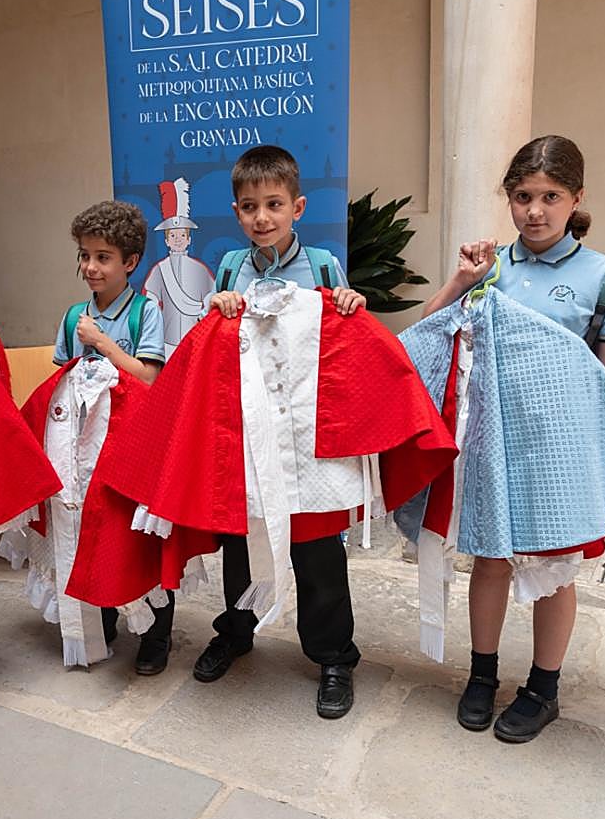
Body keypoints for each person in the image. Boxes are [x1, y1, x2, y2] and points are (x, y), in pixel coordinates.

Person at [419, 134, 605, 742]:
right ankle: (481, 675)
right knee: (489, 560)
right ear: (508, 199)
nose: (534, 211)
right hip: (492, 441)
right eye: (522, 196)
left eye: (550, 196)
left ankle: (543, 688)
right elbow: (432, 331)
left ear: (577, 199)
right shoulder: (492, 268)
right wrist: (463, 279)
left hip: (560, 447)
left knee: (556, 570)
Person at [196, 144, 368, 719]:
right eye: (249, 207)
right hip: (247, 432)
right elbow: (212, 345)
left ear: (297, 206)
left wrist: (347, 301)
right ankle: (236, 630)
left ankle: (334, 656)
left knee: (317, 549)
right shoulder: (229, 269)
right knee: (242, 539)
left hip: (307, 435)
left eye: (273, 204)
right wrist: (216, 307)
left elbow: (345, 336)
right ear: (236, 212)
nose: (261, 217)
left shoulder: (321, 264)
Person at [47, 200, 174, 672]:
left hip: (133, 442)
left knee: (137, 535)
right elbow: (63, 379)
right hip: (85, 444)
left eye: (102, 257)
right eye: (84, 255)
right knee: (91, 532)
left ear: (131, 262)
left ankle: (157, 634)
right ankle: (100, 618)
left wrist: (101, 342)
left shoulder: (146, 310)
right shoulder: (72, 315)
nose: (90, 267)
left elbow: (148, 379)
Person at [140, 177, 215, 355]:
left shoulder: (200, 269)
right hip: (167, 339)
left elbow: (211, 298)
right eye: (173, 236)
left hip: (196, 337)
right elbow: (150, 301)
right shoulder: (159, 269)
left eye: (182, 235)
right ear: (166, 240)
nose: (178, 239)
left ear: (189, 239)